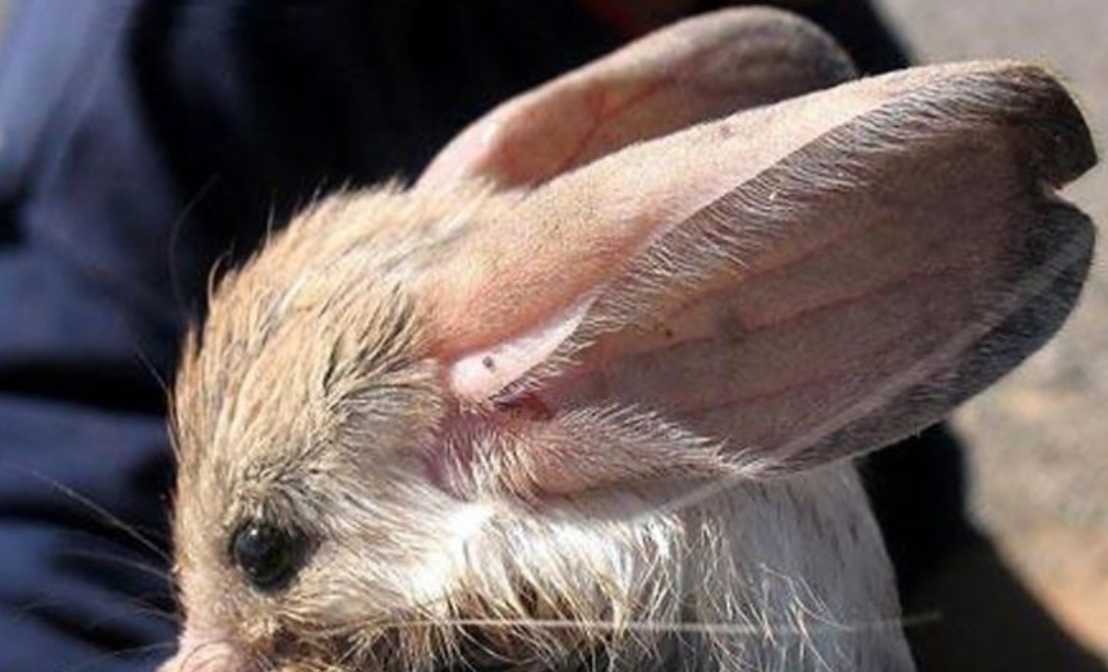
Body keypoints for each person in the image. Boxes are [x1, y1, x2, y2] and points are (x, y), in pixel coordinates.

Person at [0, 2, 1099, 670]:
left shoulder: (520, 408)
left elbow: (920, 504)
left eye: (265, 555)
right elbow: (38, 509)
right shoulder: (177, 46)